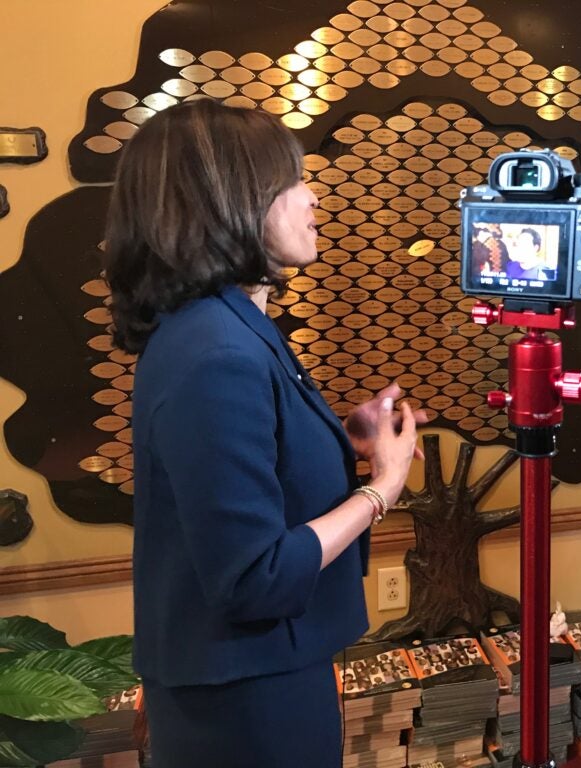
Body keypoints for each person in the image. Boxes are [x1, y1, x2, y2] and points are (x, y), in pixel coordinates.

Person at [104, 99, 424, 768]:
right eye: (292, 182)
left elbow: (248, 470)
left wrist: (343, 440)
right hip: (242, 698)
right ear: (230, 204)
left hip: (256, 675)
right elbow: (255, 575)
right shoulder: (215, 350)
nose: (312, 200)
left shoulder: (225, 326)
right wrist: (382, 488)